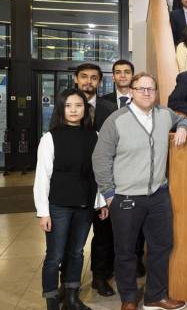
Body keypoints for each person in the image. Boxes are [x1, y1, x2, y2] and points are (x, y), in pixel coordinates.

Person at [93, 73, 187, 310]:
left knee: (161, 247)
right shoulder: (116, 120)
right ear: (132, 92)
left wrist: (184, 127)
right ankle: (128, 298)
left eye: (151, 89)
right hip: (125, 197)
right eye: (141, 89)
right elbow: (100, 157)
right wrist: (109, 193)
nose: (147, 93)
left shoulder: (164, 114)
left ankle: (155, 296)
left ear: (156, 92)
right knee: (126, 251)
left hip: (158, 196)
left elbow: (183, 118)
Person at [34, 88, 105, 310]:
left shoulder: (94, 135)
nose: (73, 110)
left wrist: (101, 202)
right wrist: (43, 211)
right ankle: (52, 300)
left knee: (76, 252)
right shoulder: (50, 138)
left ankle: (73, 298)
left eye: (78, 105)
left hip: (85, 204)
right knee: (54, 255)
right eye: (68, 106)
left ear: (86, 108)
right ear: (60, 109)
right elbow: (42, 177)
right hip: (58, 206)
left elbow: (98, 172)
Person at [102, 59, 149, 279]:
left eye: (127, 72)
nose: (122, 75)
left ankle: (137, 261)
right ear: (113, 77)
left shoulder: (143, 102)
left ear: (133, 76)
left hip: (136, 177)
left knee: (137, 226)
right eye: (118, 72)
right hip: (110, 176)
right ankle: (103, 273)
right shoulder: (103, 104)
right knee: (106, 230)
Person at [73, 63, 117, 297]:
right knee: (73, 239)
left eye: (93, 78)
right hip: (74, 184)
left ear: (99, 82)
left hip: (102, 183)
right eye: (84, 77)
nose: (88, 82)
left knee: (103, 235)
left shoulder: (109, 108)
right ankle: (68, 283)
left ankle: (100, 278)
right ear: (76, 79)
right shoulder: (66, 105)